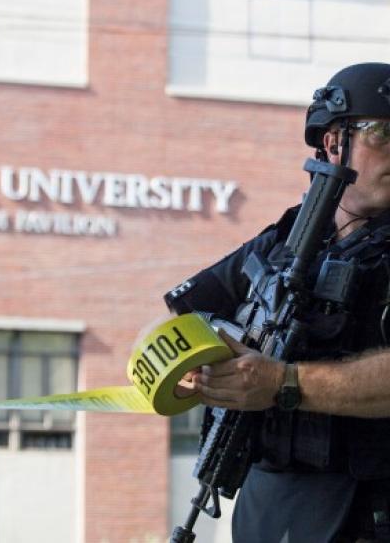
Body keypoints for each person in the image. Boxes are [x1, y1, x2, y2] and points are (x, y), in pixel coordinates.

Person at [165, 62, 390, 543]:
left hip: (371, 512)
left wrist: (283, 382)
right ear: (334, 143)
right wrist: (197, 364)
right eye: (384, 133)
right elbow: (183, 313)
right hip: (268, 506)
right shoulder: (285, 239)